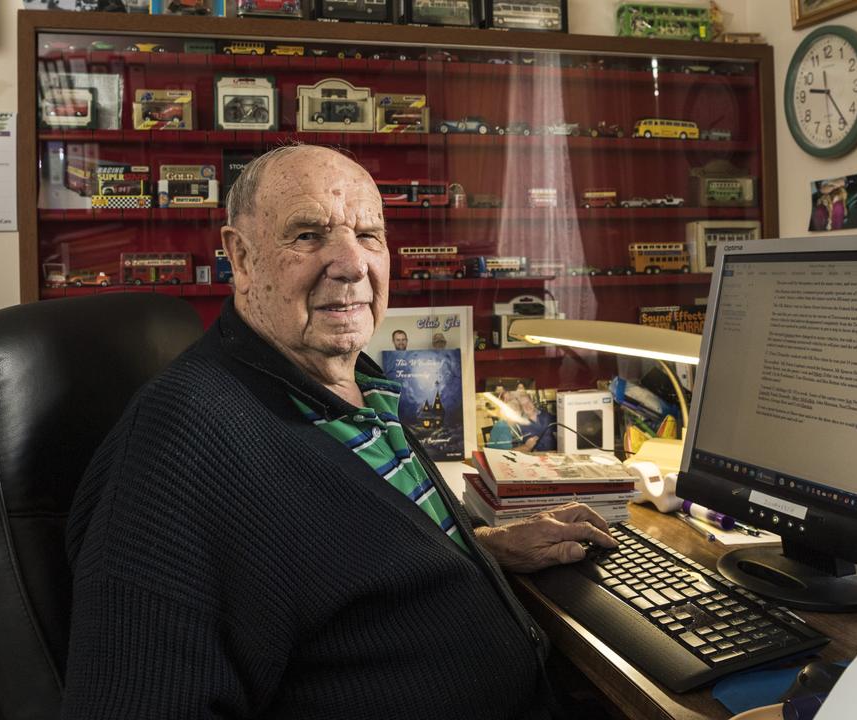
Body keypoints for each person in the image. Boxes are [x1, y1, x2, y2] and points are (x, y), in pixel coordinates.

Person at [61, 144, 616, 719]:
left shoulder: (359, 384)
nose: (353, 265)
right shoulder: (178, 446)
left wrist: (479, 551)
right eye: (307, 235)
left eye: (369, 235)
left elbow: (345, 568)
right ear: (242, 259)